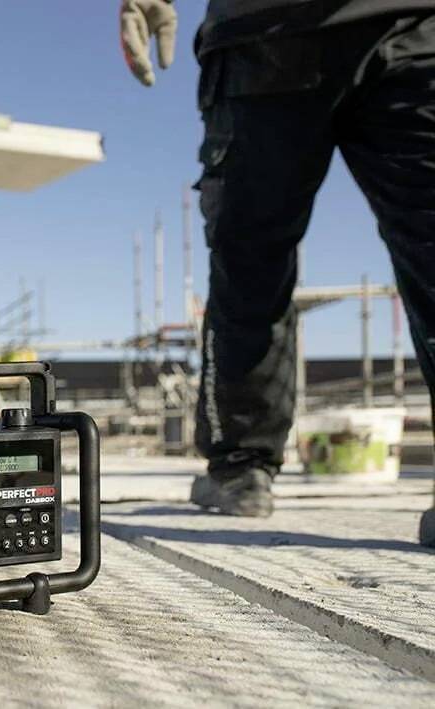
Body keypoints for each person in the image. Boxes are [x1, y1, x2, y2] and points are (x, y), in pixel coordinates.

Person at [119, 0, 435, 520]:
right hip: (396, 28)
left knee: (250, 260)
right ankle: (242, 467)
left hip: (268, 36)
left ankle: (241, 467)